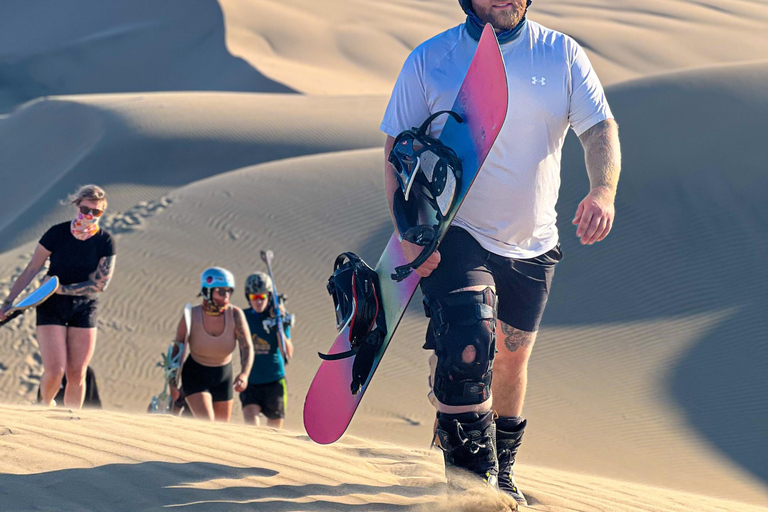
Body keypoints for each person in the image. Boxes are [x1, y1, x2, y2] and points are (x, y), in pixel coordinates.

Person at [381, 0, 621, 503]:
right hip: (456, 229)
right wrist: (409, 233)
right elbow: (395, 152)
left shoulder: (561, 54)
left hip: (534, 241)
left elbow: (600, 129)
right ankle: (472, 490)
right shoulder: (432, 59)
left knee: (510, 360)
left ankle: (502, 470)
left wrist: (603, 191)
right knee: (469, 343)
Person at [0, 185, 116, 409]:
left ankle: (70, 423)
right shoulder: (57, 233)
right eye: (85, 209)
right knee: (55, 372)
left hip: (84, 307)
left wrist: (60, 289)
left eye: (96, 212)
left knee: (77, 373)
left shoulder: (105, 241)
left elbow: (100, 284)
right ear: (77, 207)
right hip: (50, 305)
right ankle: (44, 406)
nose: (89, 216)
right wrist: (8, 302)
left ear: (102, 212)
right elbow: (32, 269)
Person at [170, 267, 254, 422]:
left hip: (223, 377)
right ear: (207, 291)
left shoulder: (235, 315)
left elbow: (247, 347)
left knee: (221, 430)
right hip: (195, 375)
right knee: (208, 424)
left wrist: (244, 374)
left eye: (229, 291)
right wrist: (172, 383)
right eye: (221, 292)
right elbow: (177, 348)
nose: (226, 296)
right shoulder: (192, 315)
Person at [239, 272, 294, 428]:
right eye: (253, 297)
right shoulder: (242, 317)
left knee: (274, 433)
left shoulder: (280, 317)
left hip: (275, 382)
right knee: (252, 429)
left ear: (269, 296)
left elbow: (287, 354)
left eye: (262, 297)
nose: (258, 302)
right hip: (251, 381)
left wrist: (279, 324)